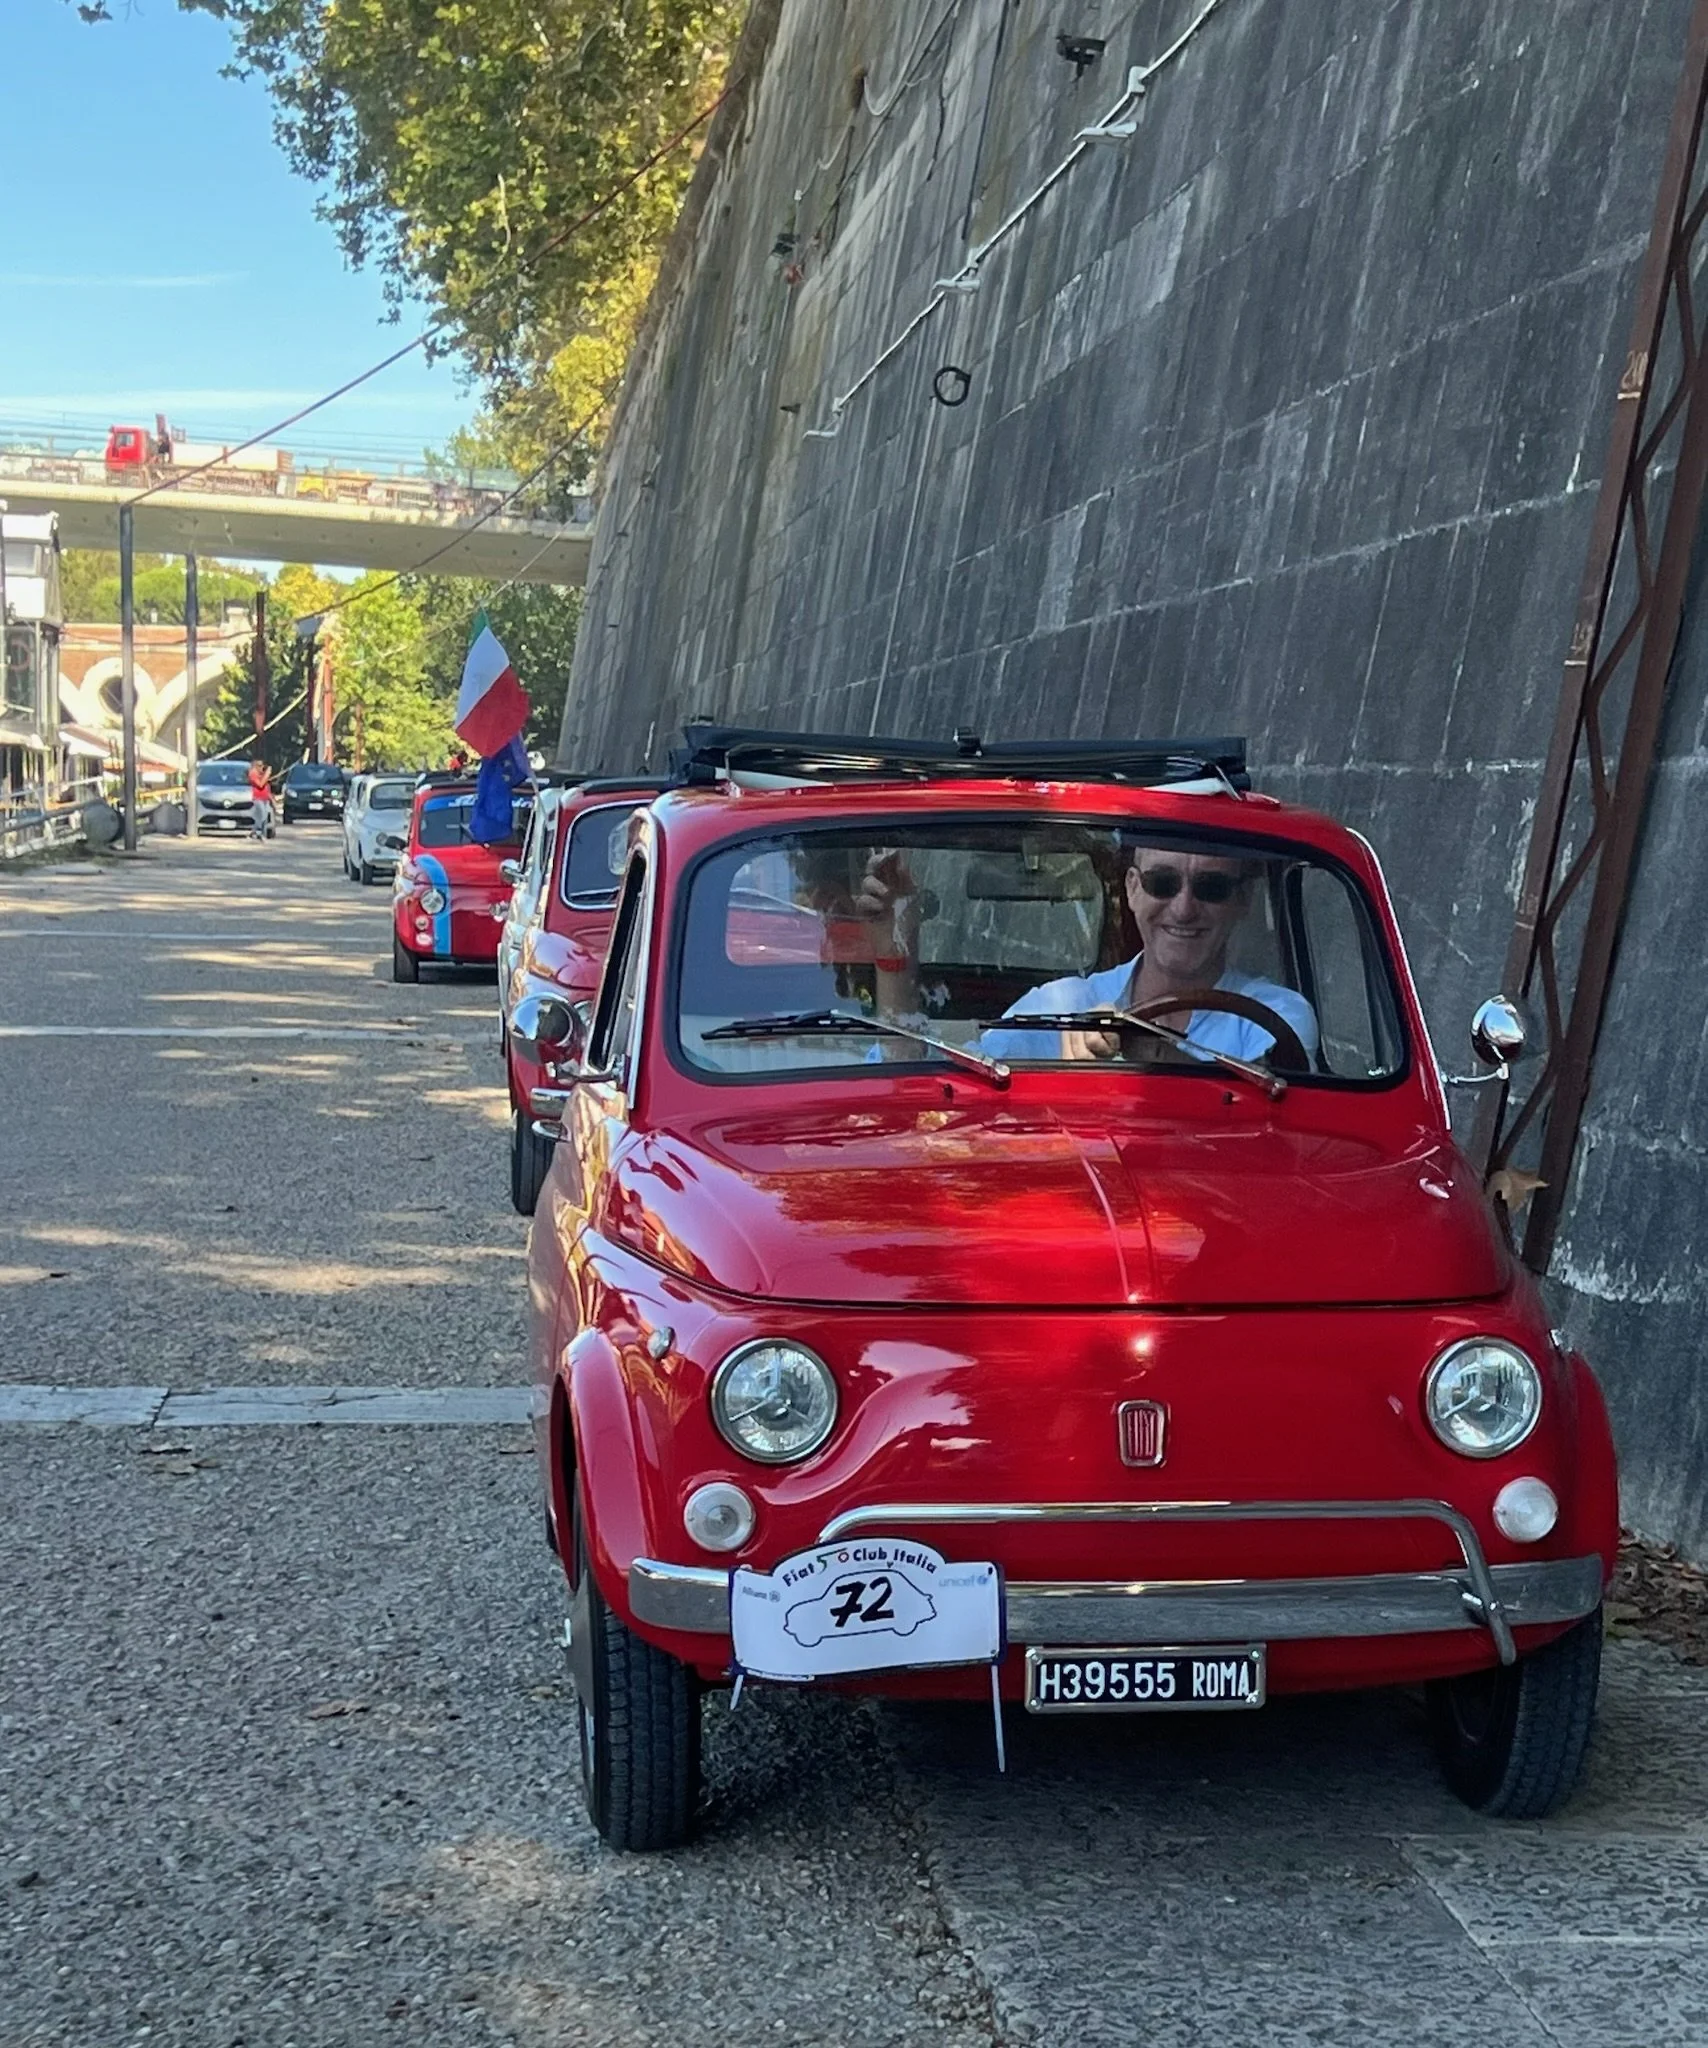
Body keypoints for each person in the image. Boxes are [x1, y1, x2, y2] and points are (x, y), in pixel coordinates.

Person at [978, 845, 1317, 1066]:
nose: (1183, 910)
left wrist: (1137, 1044)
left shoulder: (1274, 1015)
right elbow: (960, 1080)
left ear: (1242, 899)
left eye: (1211, 887)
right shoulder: (1060, 1005)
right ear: (1133, 889)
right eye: (1162, 883)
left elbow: (1270, 1101)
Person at [246, 757, 273, 842]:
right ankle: (255, 833)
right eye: (259, 766)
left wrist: (271, 798)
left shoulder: (260, 774)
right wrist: (267, 774)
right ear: (254, 766)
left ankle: (262, 835)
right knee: (262, 816)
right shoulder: (252, 774)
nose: (262, 768)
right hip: (258, 798)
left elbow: (266, 786)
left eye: (262, 766)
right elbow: (260, 784)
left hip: (265, 798)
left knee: (264, 818)